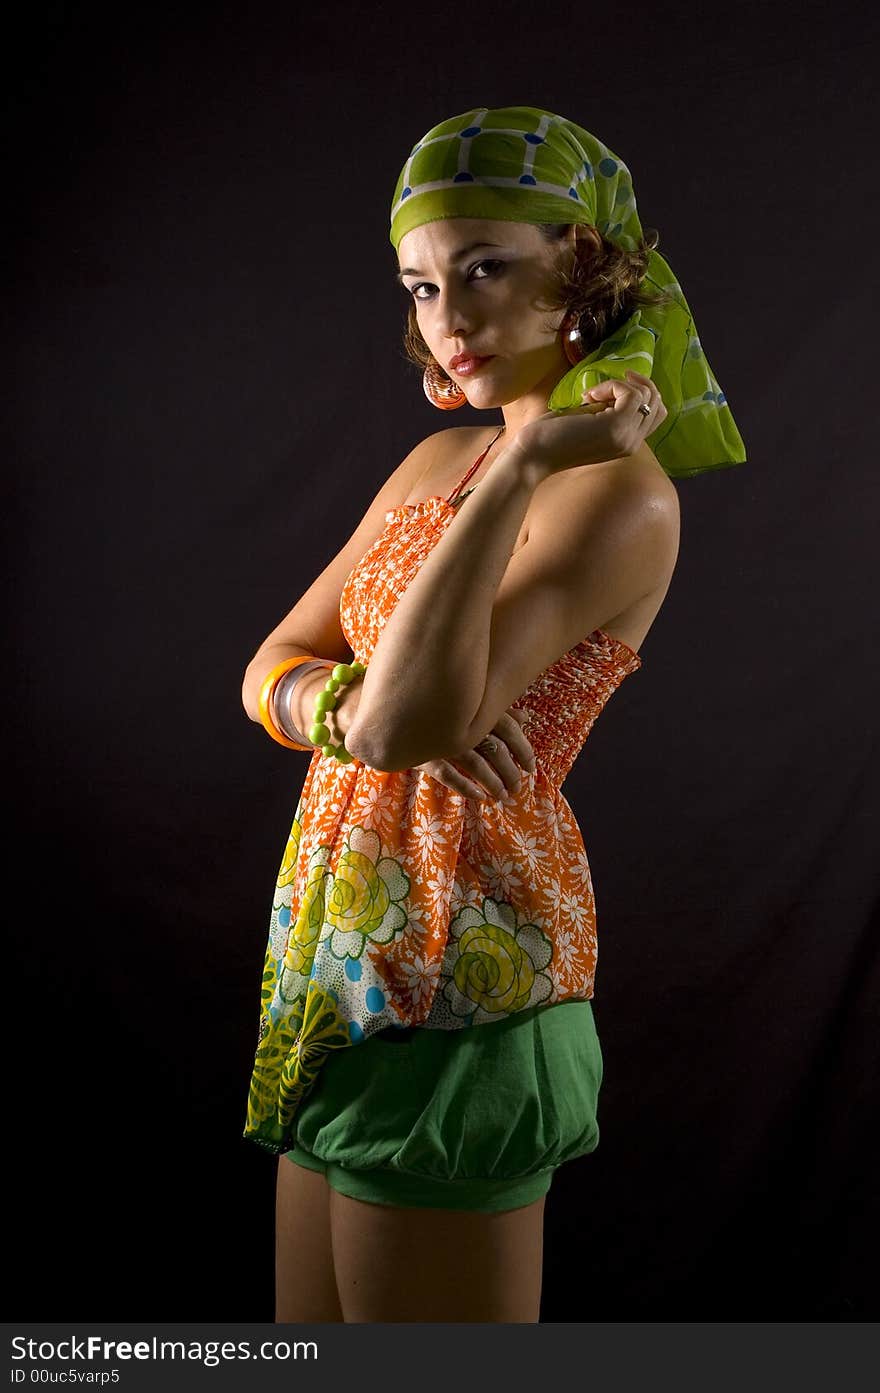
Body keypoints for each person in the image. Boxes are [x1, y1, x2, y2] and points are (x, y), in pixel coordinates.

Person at [240, 105, 746, 1323]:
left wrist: (522, 462)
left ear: (586, 266)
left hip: (466, 973)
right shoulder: (430, 464)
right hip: (336, 958)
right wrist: (350, 694)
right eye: (420, 286)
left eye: (485, 270)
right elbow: (267, 669)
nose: (449, 321)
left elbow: (399, 735)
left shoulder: (615, 498)